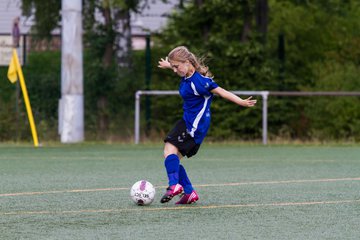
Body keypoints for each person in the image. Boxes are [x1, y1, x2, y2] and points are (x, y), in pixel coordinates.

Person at [158, 46, 257, 204]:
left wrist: (241, 102)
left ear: (187, 62)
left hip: (193, 126)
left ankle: (174, 185)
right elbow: (181, 68)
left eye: (176, 67)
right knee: (173, 158)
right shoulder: (187, 73)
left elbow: (222, 91)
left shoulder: (201, 82)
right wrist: (168, 65)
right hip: (188, 122)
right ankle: (189, 193)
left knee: (169, 149)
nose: (174, 70)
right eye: (173, 67)